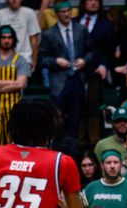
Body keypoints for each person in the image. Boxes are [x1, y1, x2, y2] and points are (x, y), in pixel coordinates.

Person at [39, 1, 92, 138]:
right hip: (59, 80)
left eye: (69, 10)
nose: (67, 14)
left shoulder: (81, 29)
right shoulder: (49, 34)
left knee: (76, 118)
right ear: (57, 14)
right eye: (63, 11)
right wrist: (56, 61)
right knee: (57, 118)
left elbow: (91, 52)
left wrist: (84, 60)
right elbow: (42, 59)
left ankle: (73, 150)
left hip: (77, 78)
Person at [0, 26, 30, 146]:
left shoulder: (21, 60)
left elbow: (20, 84)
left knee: (14, 139)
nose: (6, 40)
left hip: (14, 107)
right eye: (3, 37)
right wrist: (10, 82)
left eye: (9, 37)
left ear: (14, 40)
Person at [0, 0, 41, 71]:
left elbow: (34, 39)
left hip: (25, 57)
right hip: (3, 59)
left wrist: (34, 62)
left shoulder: (30, 13)